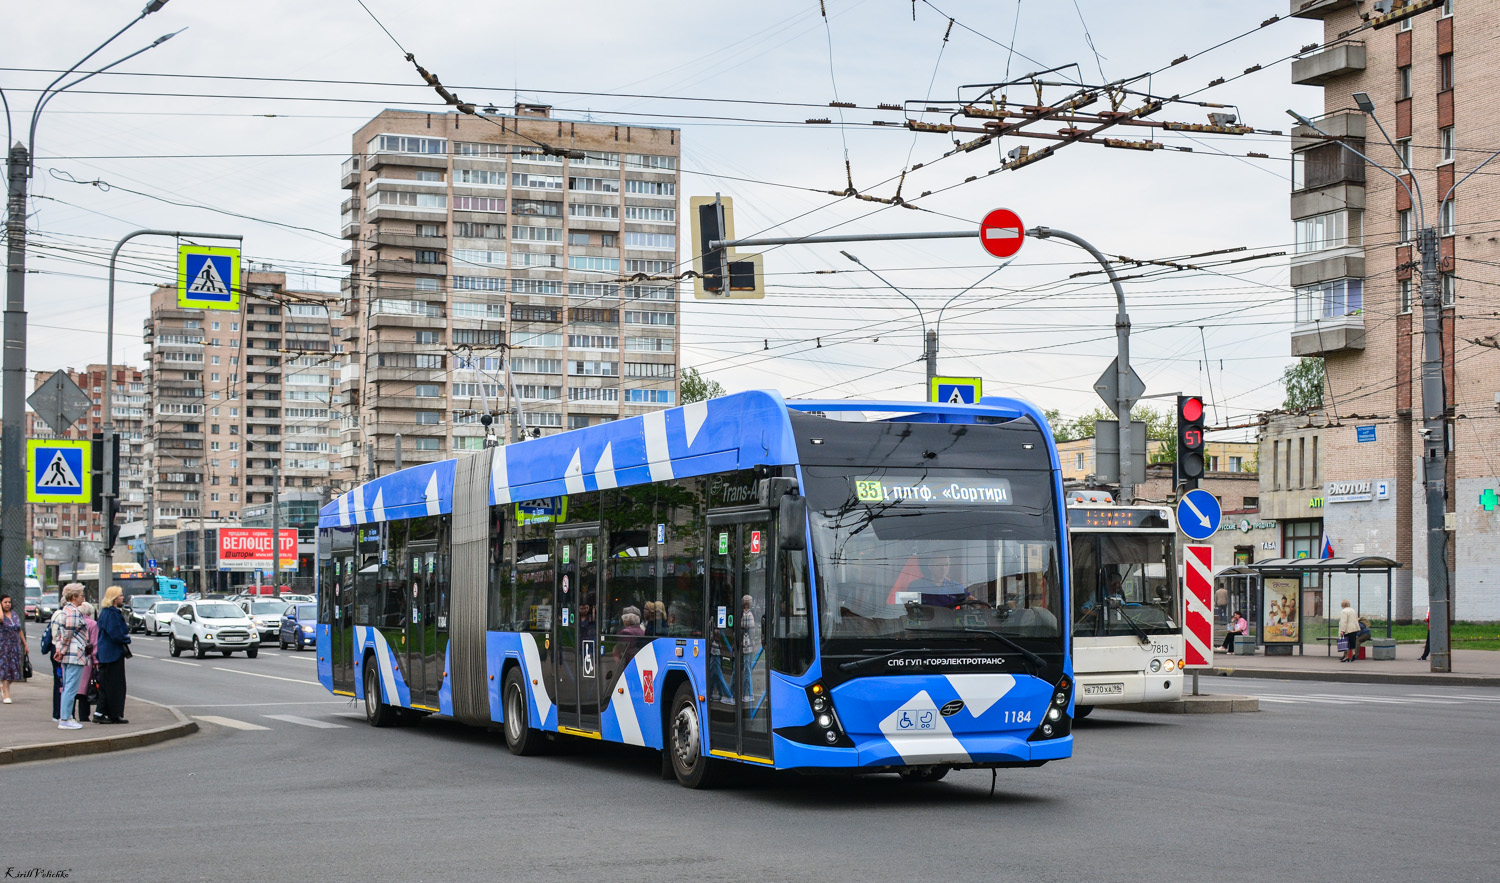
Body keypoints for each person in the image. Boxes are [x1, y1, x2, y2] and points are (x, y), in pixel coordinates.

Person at [49, 585, 89, 729]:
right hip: (74, 653)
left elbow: (60, 635)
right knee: (71, 687)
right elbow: (68, 633)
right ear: (74, 597)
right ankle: (65, 718)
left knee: (67, 686)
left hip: (67, 654)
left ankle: (67, 716)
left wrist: (60, 650)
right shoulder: (73, 611)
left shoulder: (64, 611)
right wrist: (62, 650)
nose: (82, 597)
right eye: (81, 595)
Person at [94, 586, 131, 724]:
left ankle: (103, 712)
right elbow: (116, 634)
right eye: (121, 595)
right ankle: (113, 713)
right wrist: (126, 639)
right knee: (115, 685)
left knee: (106, 685)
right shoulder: (112, 614)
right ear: (114, 599)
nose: (123, 597)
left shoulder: (105, 612)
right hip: (112, 654)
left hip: (105, 654)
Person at [0, 594, 27, 702]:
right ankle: (7, 695)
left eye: (9, 602)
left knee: (14, 671)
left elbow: (19, 630)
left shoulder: (14, 614)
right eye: (5, 602)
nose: (7, 604)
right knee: (5, 671)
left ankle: (3, 687)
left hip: (15, 647)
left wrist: (25, 644)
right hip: (3, 647)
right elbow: (1, 619)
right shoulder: (1, 615)